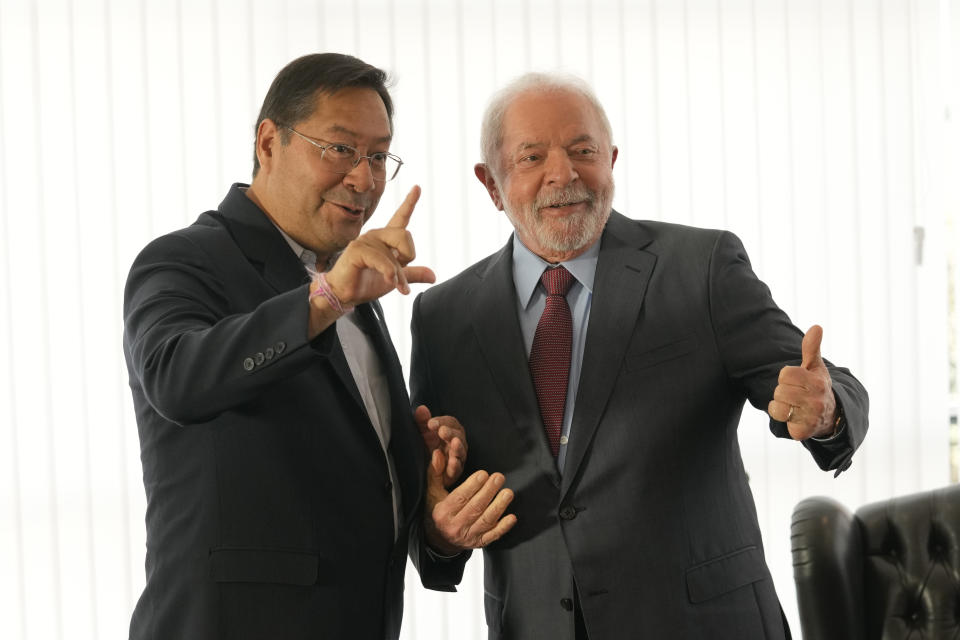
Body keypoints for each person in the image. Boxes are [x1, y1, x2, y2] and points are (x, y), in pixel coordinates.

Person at [410, 72, 869, 639]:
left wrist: (826, 411)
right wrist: (440, 532)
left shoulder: (700, 267)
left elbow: (827, 382)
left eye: (584, 151)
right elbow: (433, 505)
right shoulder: (444, 317)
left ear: (612, 160)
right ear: (491, 183)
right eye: (532, 157)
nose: (564, 173)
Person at [123, 52, 466, 640]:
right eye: (339, 148)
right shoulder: (184, 258)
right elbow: (177, 379)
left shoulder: (358, 289)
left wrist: (429, 502)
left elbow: (345, 476)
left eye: (379, 156)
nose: (364, 179)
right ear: (268, 143)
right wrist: (327, 298)